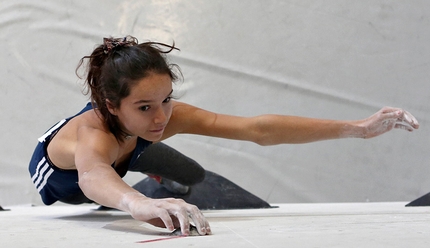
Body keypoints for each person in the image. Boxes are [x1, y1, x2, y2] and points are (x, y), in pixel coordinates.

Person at [29, 36, 419, 236]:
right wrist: (135, 203)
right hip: (69, 181)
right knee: (111, 188)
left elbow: (257, 129)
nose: (161, 117)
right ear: (113, 106)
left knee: (194, 176)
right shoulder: (93, 133)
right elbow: (93, 175)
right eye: (144, 107)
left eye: (166, 100)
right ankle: (141, 189)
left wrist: (357, 129)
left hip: (126, 154)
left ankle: (153, 183)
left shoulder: (163, 116)